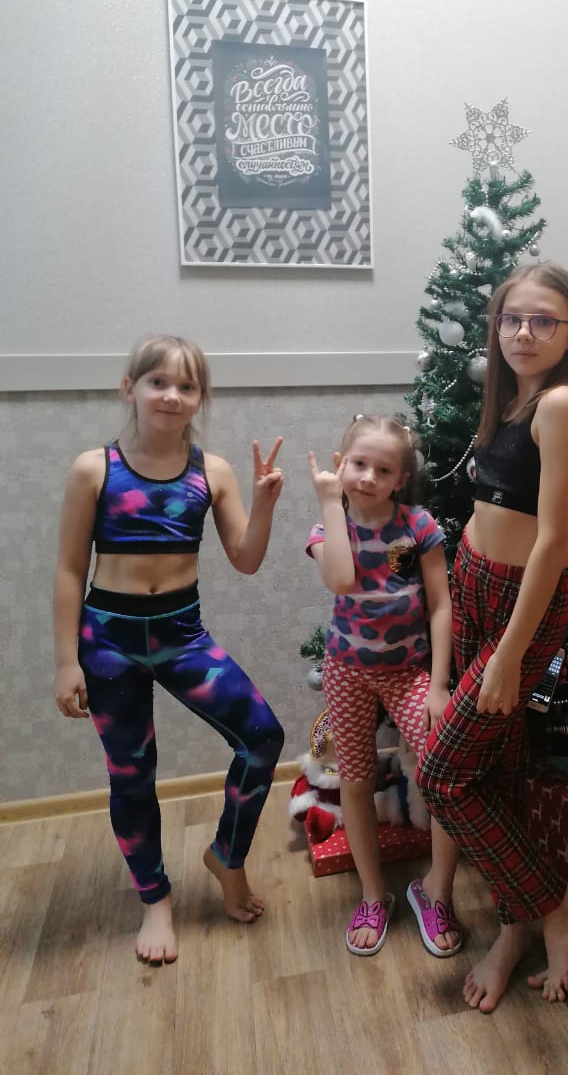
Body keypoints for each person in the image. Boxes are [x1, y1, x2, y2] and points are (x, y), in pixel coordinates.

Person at [53, 334, 286, 966]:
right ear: (129, 388)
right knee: (132, 775)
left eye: (187, 386)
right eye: (158, 382)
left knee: (263, 737)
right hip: (109, 642)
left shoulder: (213, 471)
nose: (172, 396)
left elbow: (245, 559)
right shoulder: (94, 469)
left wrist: (264, 506)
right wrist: (66, 661)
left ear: (200, 398)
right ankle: (155, 899)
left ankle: (226, 857)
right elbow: (70, 570)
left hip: (182, 634)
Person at [416, 262, 568, 1014]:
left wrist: (512, 657)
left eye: (543, 320)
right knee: (497, 771)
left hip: (525, 605)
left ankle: (558, 903)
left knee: (442, 776)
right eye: (512, 319)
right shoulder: (515, 397)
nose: (524, 332)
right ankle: (516, 929)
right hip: (479, 584)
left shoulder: (562, 403)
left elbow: (554, 541)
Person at [307, 414, 462, 958]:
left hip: (409, 673)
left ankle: (436, 892)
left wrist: (438, 686)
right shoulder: (328, 528)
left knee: (444, 770)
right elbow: (340, 579)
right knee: (355, 779)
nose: (369, 477)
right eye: (358, 464)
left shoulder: (418, 525)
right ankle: (373, 895)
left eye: (383, 469)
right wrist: (331, 503)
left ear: (401, 479)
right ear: (339, 465)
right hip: (347, 671)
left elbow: (440, 605)